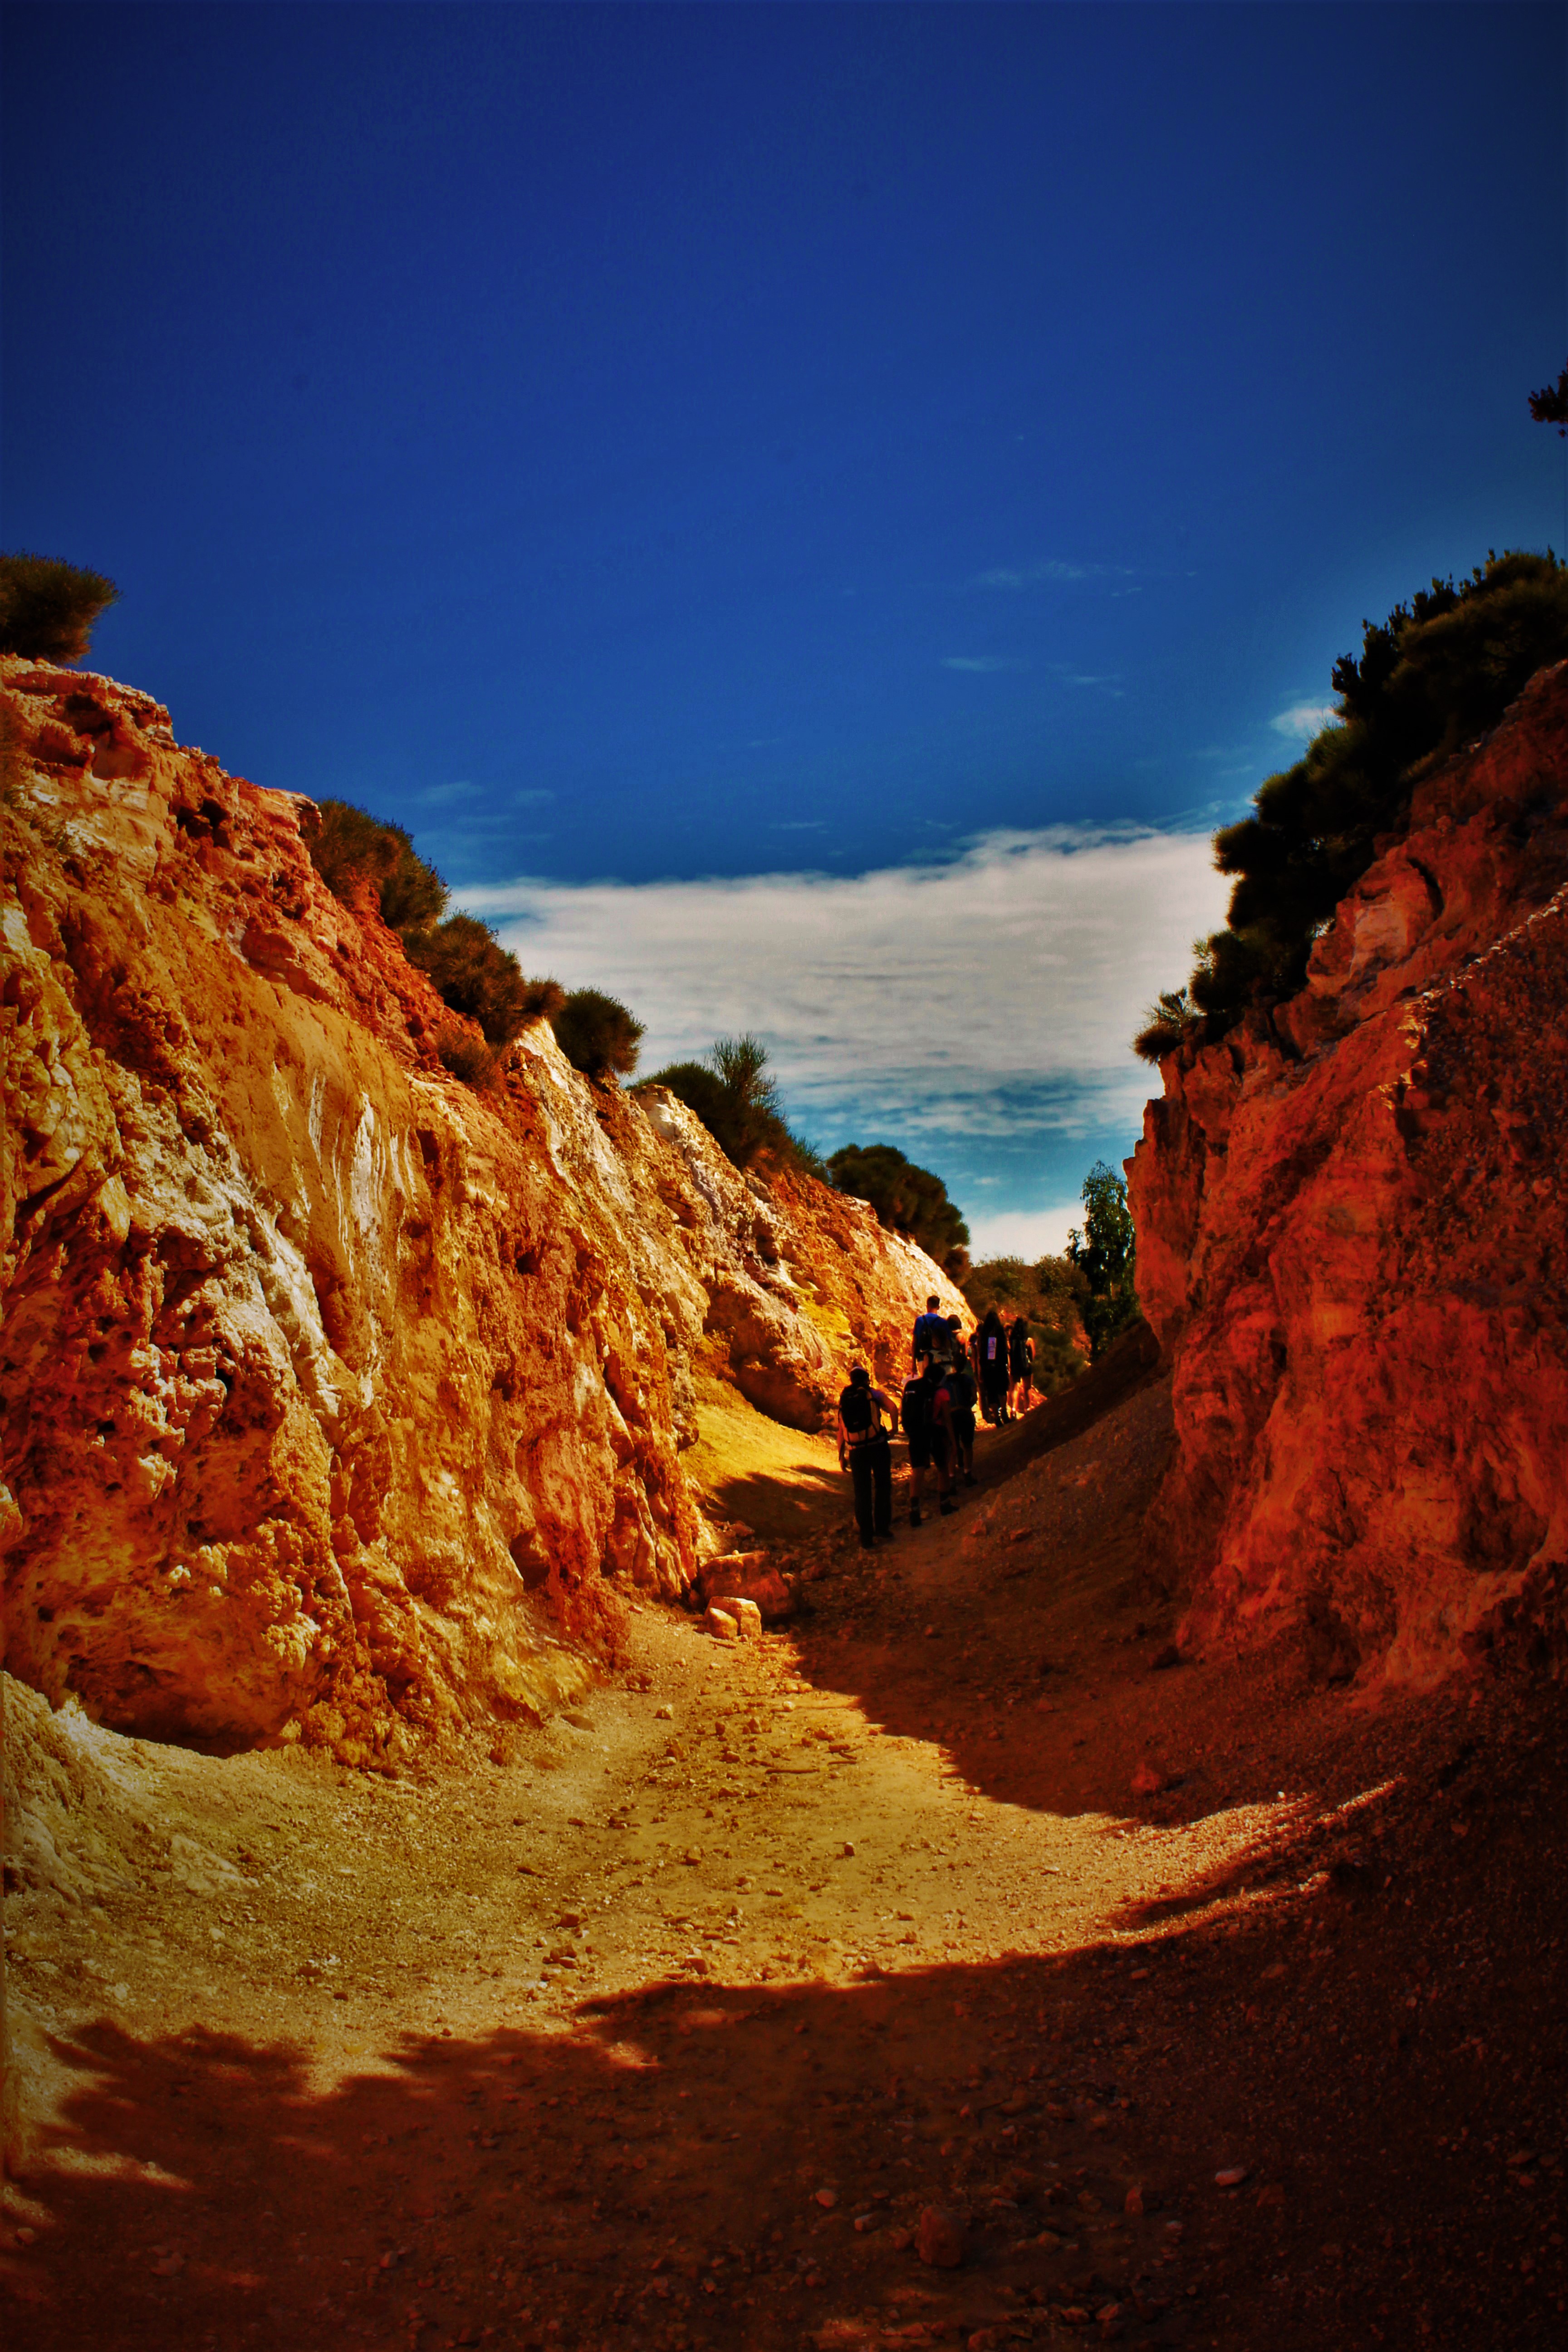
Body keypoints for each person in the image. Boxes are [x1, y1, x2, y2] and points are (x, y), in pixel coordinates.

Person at [837, 1367, 897, 1548]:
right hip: (877, 1446)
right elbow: (893, 1408)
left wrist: (841, 1455)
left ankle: (866, 1538)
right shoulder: (873, 1394)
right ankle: (882, 1528)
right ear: (867, 1379)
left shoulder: (844, 1399)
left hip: (856, 1451)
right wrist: (894, 1429)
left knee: (862, 1493)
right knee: (882, 1486)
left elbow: (841, 1429)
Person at [945, 1318, 978, 1483]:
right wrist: (967, 1406)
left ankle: (951, 1477)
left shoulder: (946, 1380)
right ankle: (967, 1473)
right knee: (968, 1445)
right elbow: (975, 1397)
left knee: (952, 1446)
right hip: (964, 1414)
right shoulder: (967, 1379)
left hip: (951, 1415)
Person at [976, 1307, 1010, 1424]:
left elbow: (981, 1353)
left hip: (987, 1368)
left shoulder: (984, 1334)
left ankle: (996, 1418)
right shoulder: (1000, 1331)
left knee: (991, 1393)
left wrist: (981, 1369)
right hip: (1000, 1366)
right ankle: (1004, 1412)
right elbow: (1005, 1350)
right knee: (1002, 1391)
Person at [1008, 1314, 1035, 1416]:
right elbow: (1032, 1357)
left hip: (1015, 1366)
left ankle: (1013, 1409)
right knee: (1027, 1388)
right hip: (1026, 1367)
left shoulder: (1011, 1340)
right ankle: (1028, 1408)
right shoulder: (1029, 1341)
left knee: (1015, 1389)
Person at [911, 1293, 947, 1369]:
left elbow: (915, 1342)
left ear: (927, 1306)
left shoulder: (920, 1320)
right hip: (938, 1360)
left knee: (924, 1380)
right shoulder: (943, 1322)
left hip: (922, 1359)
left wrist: (913, 1363)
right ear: (938, 1307)